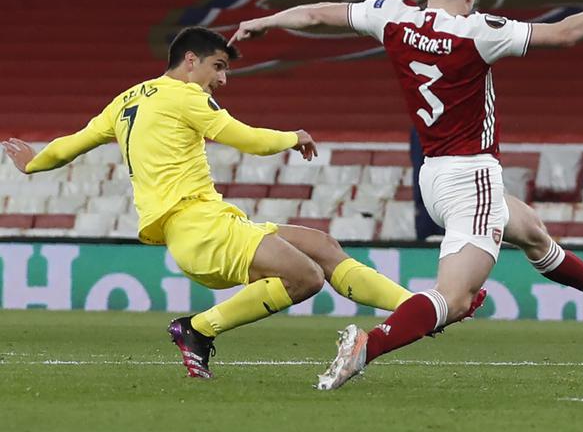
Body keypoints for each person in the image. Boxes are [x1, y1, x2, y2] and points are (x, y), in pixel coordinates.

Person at [230, 0, 583, 390]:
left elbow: (318, 15)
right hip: (473, 177)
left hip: (434, 177)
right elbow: (566, 33)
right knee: (454, 297)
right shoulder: (480, 31)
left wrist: (267, 21)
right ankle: (365, 348)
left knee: (530, 230)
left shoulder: (393, 17)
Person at [1, 27, 447, 380]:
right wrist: (294, 136)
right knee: (307, 277)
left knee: (322, 245)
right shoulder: (186, 95)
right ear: (190, 61)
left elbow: (70, 145)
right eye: (218, 66)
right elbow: (245, 139)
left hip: (204, 225)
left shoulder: (126, 101)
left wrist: (32, 164)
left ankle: (421, 310)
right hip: (200, 227)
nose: (222, 78)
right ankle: (198, 329)